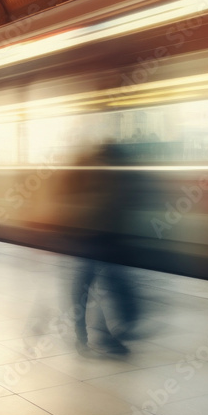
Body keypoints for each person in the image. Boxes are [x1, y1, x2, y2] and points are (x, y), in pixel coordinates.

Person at [69, 143, 140, 356]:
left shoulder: (100, 174)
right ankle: (97, 336)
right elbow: (102, 207)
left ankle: (89, 336)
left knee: (88, 289)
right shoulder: (104, 176)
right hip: (97, 241)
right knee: (98, 288)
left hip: (95, 240)